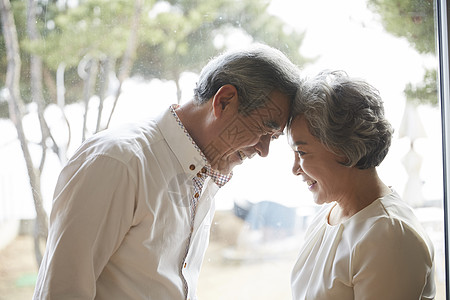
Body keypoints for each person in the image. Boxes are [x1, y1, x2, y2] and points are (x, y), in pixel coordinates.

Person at [33, 44, 301, 300]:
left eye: (274, 138)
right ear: (224, 101)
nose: (264, 150)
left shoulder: (202, 172)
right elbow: (61, 292)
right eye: (265, 131)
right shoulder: (118, 162)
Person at [288, 70, 435, 300]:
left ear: (343, 150)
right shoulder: (328, 215)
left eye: (302, 152)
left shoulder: (389, 236)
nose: (295, 168)